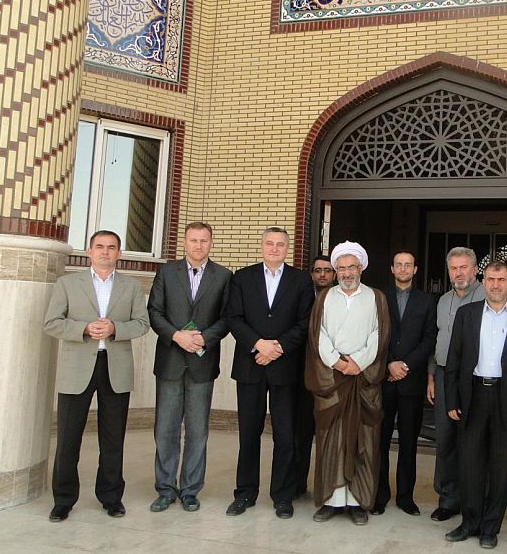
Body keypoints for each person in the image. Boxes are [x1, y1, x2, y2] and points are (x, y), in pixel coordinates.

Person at [43, 230, 150, 522]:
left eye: (111, 247)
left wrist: (115, 328)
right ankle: (63, 500)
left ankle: (111, 497)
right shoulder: (67, 284)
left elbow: (142, 324)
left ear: (119, 253)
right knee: (68, 438)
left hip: (115, 367)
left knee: (113, 438)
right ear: (89, 251)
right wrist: (84, 328)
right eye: (100, 247)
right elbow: (51, 323)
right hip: (77, 367)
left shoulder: (131, 286)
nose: (105, 252)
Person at [444, 261, 507, 548]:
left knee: (501, 466)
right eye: (490, 279)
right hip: (473, 396)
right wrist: (452, 399)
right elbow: (454, 359)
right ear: (483, 281)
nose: (496, 285)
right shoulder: (467, 314)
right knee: (469, 464)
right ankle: (469, 522)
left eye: (501, 279)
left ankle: (490, 527)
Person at [226, 227, 315, 519]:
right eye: (269, 243)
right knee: (248, 434)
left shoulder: (301, 280)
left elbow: (305, 322)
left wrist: (277, 347)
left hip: (284, 366)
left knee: (285, 435)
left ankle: (283, 496)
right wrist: (258, 344)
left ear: (287, 249)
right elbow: (234, 317)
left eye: (279, 244)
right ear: (262, 246)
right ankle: (245, 493)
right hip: (250, 365)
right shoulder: (242, 277)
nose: (274, 248)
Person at [147, 222, 232, 513]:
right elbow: (154, 311)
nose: (198, 245)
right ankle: (165, 489)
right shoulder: (167, 272)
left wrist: (203, 338)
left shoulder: (224, 276)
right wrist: (176, 336)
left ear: (211, 243)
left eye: (204, 240)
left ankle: (190, 490)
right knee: (166, 429)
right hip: (170, 361)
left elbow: (227, 317)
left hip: (202, 363)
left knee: (197, 431)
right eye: (193, 240)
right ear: (184, 242)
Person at [305, 241, 390, 526]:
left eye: (351, 267)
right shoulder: (324, 298)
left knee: (362, 441)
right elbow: (317, 334)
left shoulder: (376, 297)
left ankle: (357, 502)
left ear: (361, 268)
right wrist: (338, 363)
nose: (346, 273)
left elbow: (380, 334)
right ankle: (331, 500)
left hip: (363, 378)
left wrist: (359, 363)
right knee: (332, 440)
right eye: (340, 268)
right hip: (333, 378)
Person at [371, 251, 438, 516]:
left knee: (409, 442)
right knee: (381, 440)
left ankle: (405, 497)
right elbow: (373, 333)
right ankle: (379, 495)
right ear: (392, 268)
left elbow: (430, 338)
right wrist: (389, 362)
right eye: (398, 265)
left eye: (407, 265)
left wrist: (406, 365)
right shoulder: (378, 297)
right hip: (384, 380)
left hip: (411, 381)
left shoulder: (427, 300)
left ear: (415, 269)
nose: (403, 269)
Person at [427, 246, 485, 522]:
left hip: (475, 377)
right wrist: (431, 375)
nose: (459, 273)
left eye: (464, 267)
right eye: (454, 268)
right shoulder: (443, 301)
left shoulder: (487, 296)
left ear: (475, 269)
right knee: (445, 438)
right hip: (443, 375)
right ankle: (448, 499)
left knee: (474, 440)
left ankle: (475, 499)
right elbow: (437, 340)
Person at [294, 255, 335, 498]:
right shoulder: (303, 297)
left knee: (330, 436)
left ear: (334, 275)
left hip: (332, 378)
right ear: (311, 274)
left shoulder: (340, 299)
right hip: (304, 377)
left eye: (327, 271)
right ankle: (298, 484)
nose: (322, 275)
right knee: (301, 433)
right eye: (318, 270)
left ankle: (328, 487)